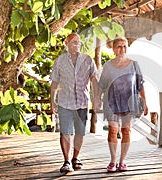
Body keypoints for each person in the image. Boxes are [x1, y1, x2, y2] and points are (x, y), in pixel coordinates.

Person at [95, 37, 148, 172]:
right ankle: (113, 161)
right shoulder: (107, 66)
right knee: (113, 130)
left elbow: (140, 85)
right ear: (113, 49)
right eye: (119, 46)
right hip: (111, 102)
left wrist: (145, 102)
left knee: (126, 130)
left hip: (129, 103)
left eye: (125, 46)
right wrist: (96, 99)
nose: (122, 49)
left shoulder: (134, 64)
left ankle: (122, 161)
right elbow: (101, 85)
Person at [50, 33, 98, 173]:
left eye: (78, 42)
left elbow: (94, 80)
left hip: (82, 103)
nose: (76, 44)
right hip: (65, 102)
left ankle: (75, 158)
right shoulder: (59, 61)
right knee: (65, 132)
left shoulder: (88, 60)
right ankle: (66, 161)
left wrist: (96, 99)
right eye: (73, 42)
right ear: (67, 44)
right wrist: (52, 101)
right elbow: (54, 83)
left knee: (80, 133)